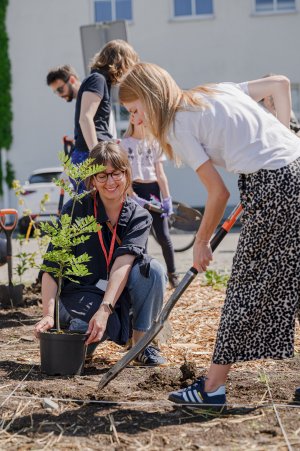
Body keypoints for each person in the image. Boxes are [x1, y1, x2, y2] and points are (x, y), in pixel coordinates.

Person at [119, 63, 300, 409]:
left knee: (245, 285)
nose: (136, 121)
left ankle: (212, 388)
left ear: (150, 97)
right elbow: (279, 84)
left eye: (135, 110)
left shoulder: (177, 124)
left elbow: (216, 194)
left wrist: (201, 241)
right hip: (295, 167)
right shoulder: (215, 90)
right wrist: (285, 141)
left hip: (275, 184)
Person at [34, 141, 166, 366]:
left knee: (152, 270)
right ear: (92, 179)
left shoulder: (139, 216)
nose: (110, 182)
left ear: (126, 174)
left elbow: (123, 264)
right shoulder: (75, 209)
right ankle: (76, 329)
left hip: (112, 297)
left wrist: (104, 310)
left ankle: (141, 345)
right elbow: (51, 266)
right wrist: (48, 314)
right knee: (80, 342)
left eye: (115, 174)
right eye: (101, 176)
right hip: (76, 296)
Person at [47, 39, 139, 169]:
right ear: (121, 62)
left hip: (91, 153)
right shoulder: (97, 79)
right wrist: (96, 155)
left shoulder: (99, 80)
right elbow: (85, 118)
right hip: (91, 155)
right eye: (129, 65)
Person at [121, 115, 179, 288]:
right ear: (131, 119)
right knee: (141, 236)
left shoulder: (154, 143)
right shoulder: (124, 144)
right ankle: (143, 275)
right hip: (135, 190)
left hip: (153, 190)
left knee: (164, 236)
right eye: (134, 115)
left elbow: (160, 174)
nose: (139, 119)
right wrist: (132, 196)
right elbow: (124, 174)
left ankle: (173, 274)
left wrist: (167, 198)